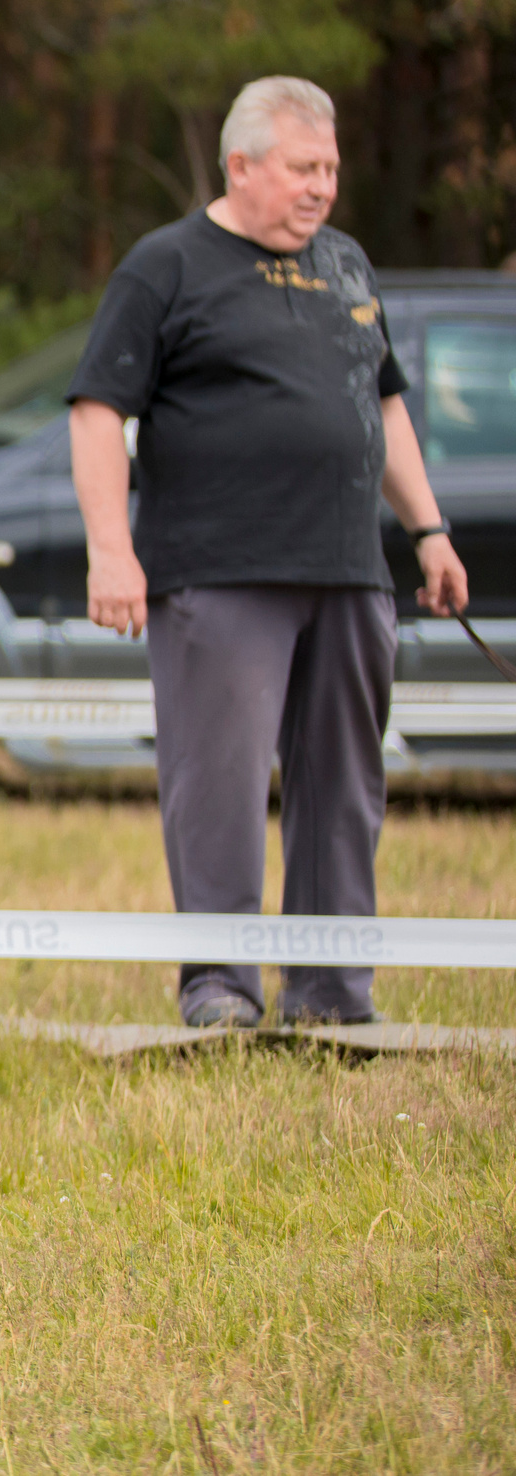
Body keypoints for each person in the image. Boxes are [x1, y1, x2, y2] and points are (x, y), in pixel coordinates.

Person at [66, 74, 467, 1030]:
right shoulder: (165, 266)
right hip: (217, 571)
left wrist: (431, 529)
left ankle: (331, 989)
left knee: (344, 786)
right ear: (241, 166)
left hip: (349, 571)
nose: (320, 186)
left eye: (329, 167)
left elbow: (384, 406)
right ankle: (221, 986)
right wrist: (110, 552)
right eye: (301, 167)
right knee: (220, 785)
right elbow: (97, 412)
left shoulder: (348, 266)